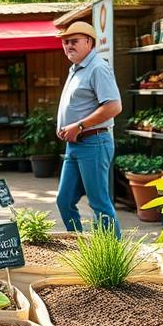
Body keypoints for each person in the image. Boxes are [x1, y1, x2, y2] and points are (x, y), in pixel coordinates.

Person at [54, 21, 123, 235]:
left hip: (94, 142)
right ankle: (81, 247)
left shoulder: (98, 68)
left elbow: (114, 106)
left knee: (99, 204)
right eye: (66, 43)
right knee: (64, 200)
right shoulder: (76, 68)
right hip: (75, 144)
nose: (68, 46)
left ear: (89, 42)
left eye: (74, 42)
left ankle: (113, 254)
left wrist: (79, 125)